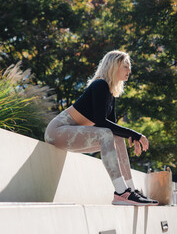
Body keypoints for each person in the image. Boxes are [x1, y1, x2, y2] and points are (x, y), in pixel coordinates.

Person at [44, 50, 158, 206]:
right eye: (125, 66)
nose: (129, 71)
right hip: (56, 132)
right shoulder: (100, 85)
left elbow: (113, 129)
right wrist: (136, 134)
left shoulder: (110, 93)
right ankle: (120, 192)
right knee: (105, 133)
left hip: (72, 135)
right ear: (114, 66)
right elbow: (101, 122)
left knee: (116, 136)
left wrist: (129, 136)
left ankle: (130, 190)